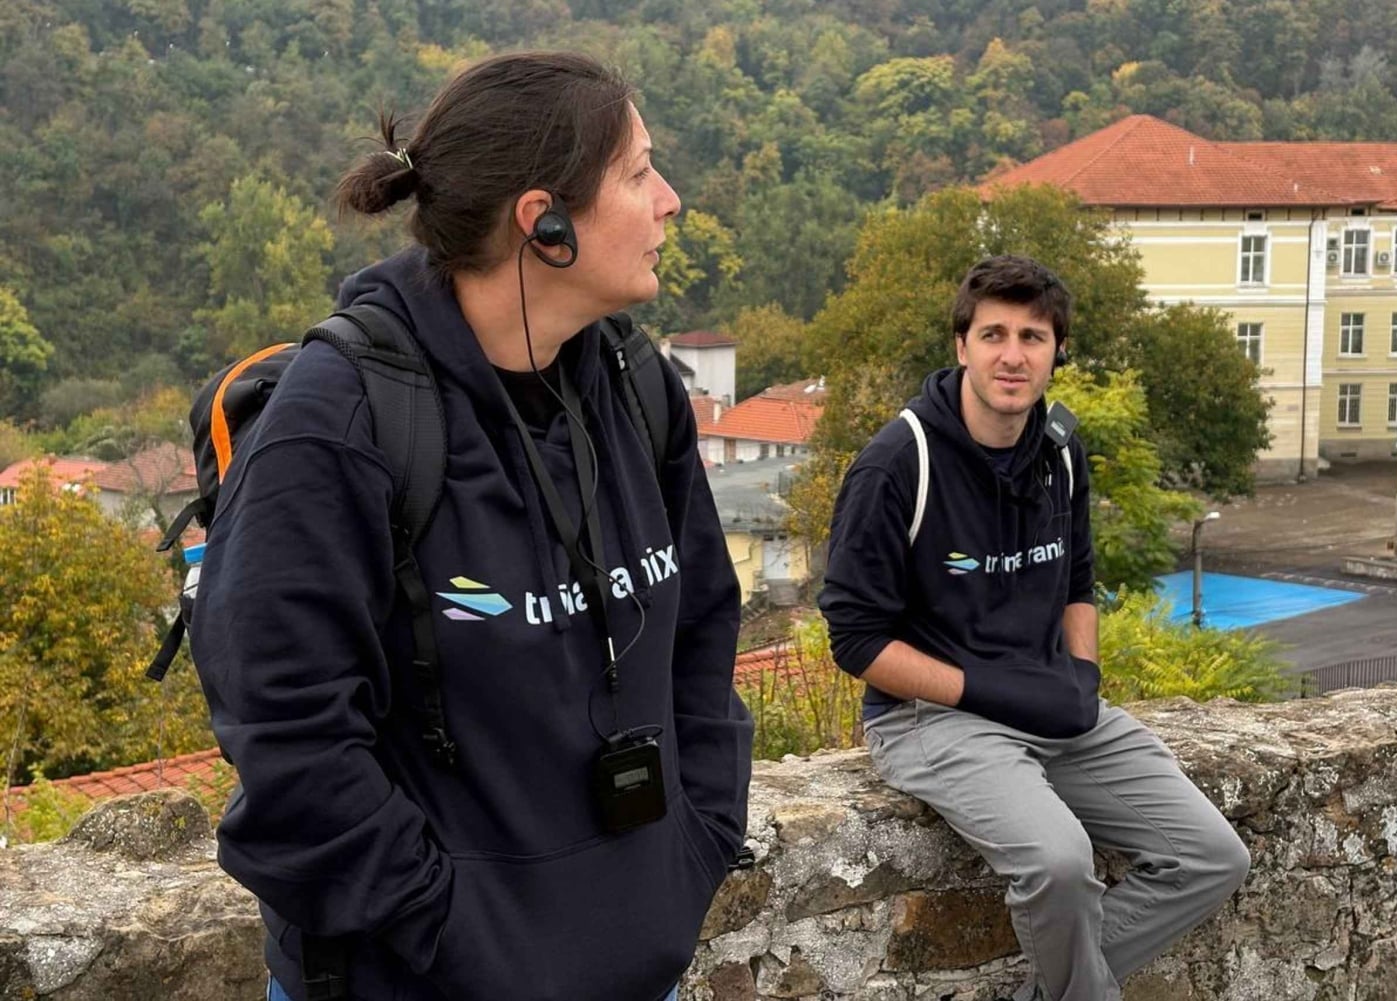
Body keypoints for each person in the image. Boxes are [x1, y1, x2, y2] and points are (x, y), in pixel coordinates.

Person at [190, 52, 752, 1001]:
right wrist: (450, 932)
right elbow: (290, 737)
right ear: (546, 223)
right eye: (639, 172)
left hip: (630, 964)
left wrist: (695, 843)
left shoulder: (633, 383)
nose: (672, 200)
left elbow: (700, 628)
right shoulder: (341, 423)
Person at [818, 255, 1249, 1001]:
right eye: (993, 334)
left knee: (1212, 854)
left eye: (1033, 336)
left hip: (1050, 703)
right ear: (961, 345)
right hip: (934, 717)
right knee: (1057, 862)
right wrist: (987, 688)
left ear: (1056, 353)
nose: (1012, 354)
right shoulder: (899, 462)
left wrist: (1081, 677)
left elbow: (1077, 579)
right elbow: (856, 640)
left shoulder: (1060, 451)